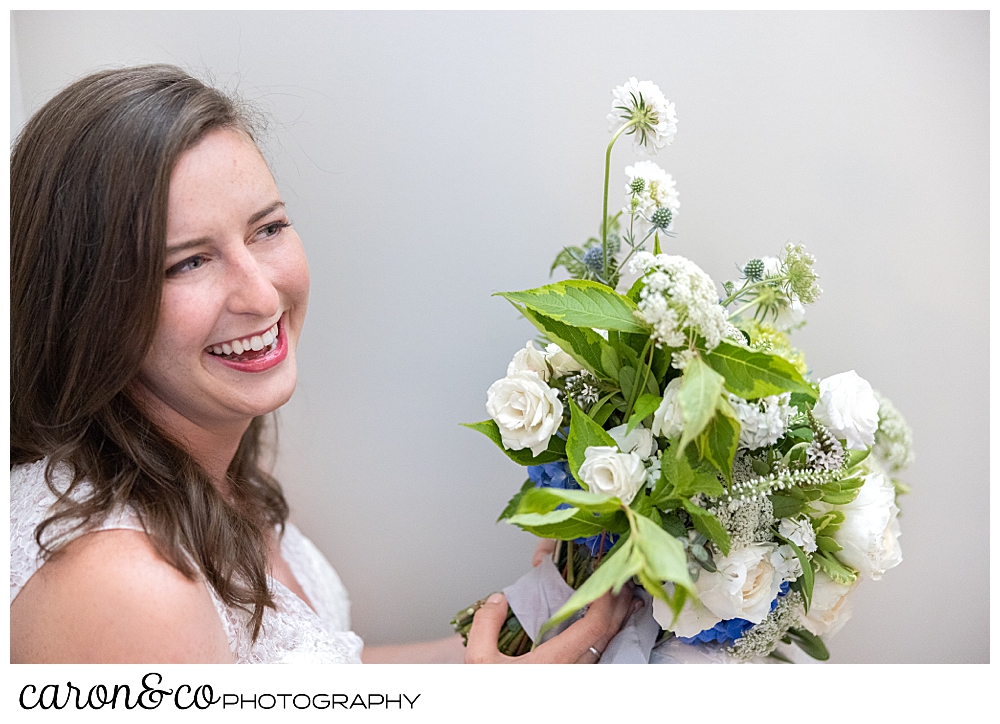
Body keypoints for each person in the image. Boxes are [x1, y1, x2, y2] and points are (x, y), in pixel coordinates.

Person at [9, 65, 637, 664]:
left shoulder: (195, 469)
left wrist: (544, 611)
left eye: (267, 229)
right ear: (88, 305)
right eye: (189, 262)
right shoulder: (128, 591)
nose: (260, 295)